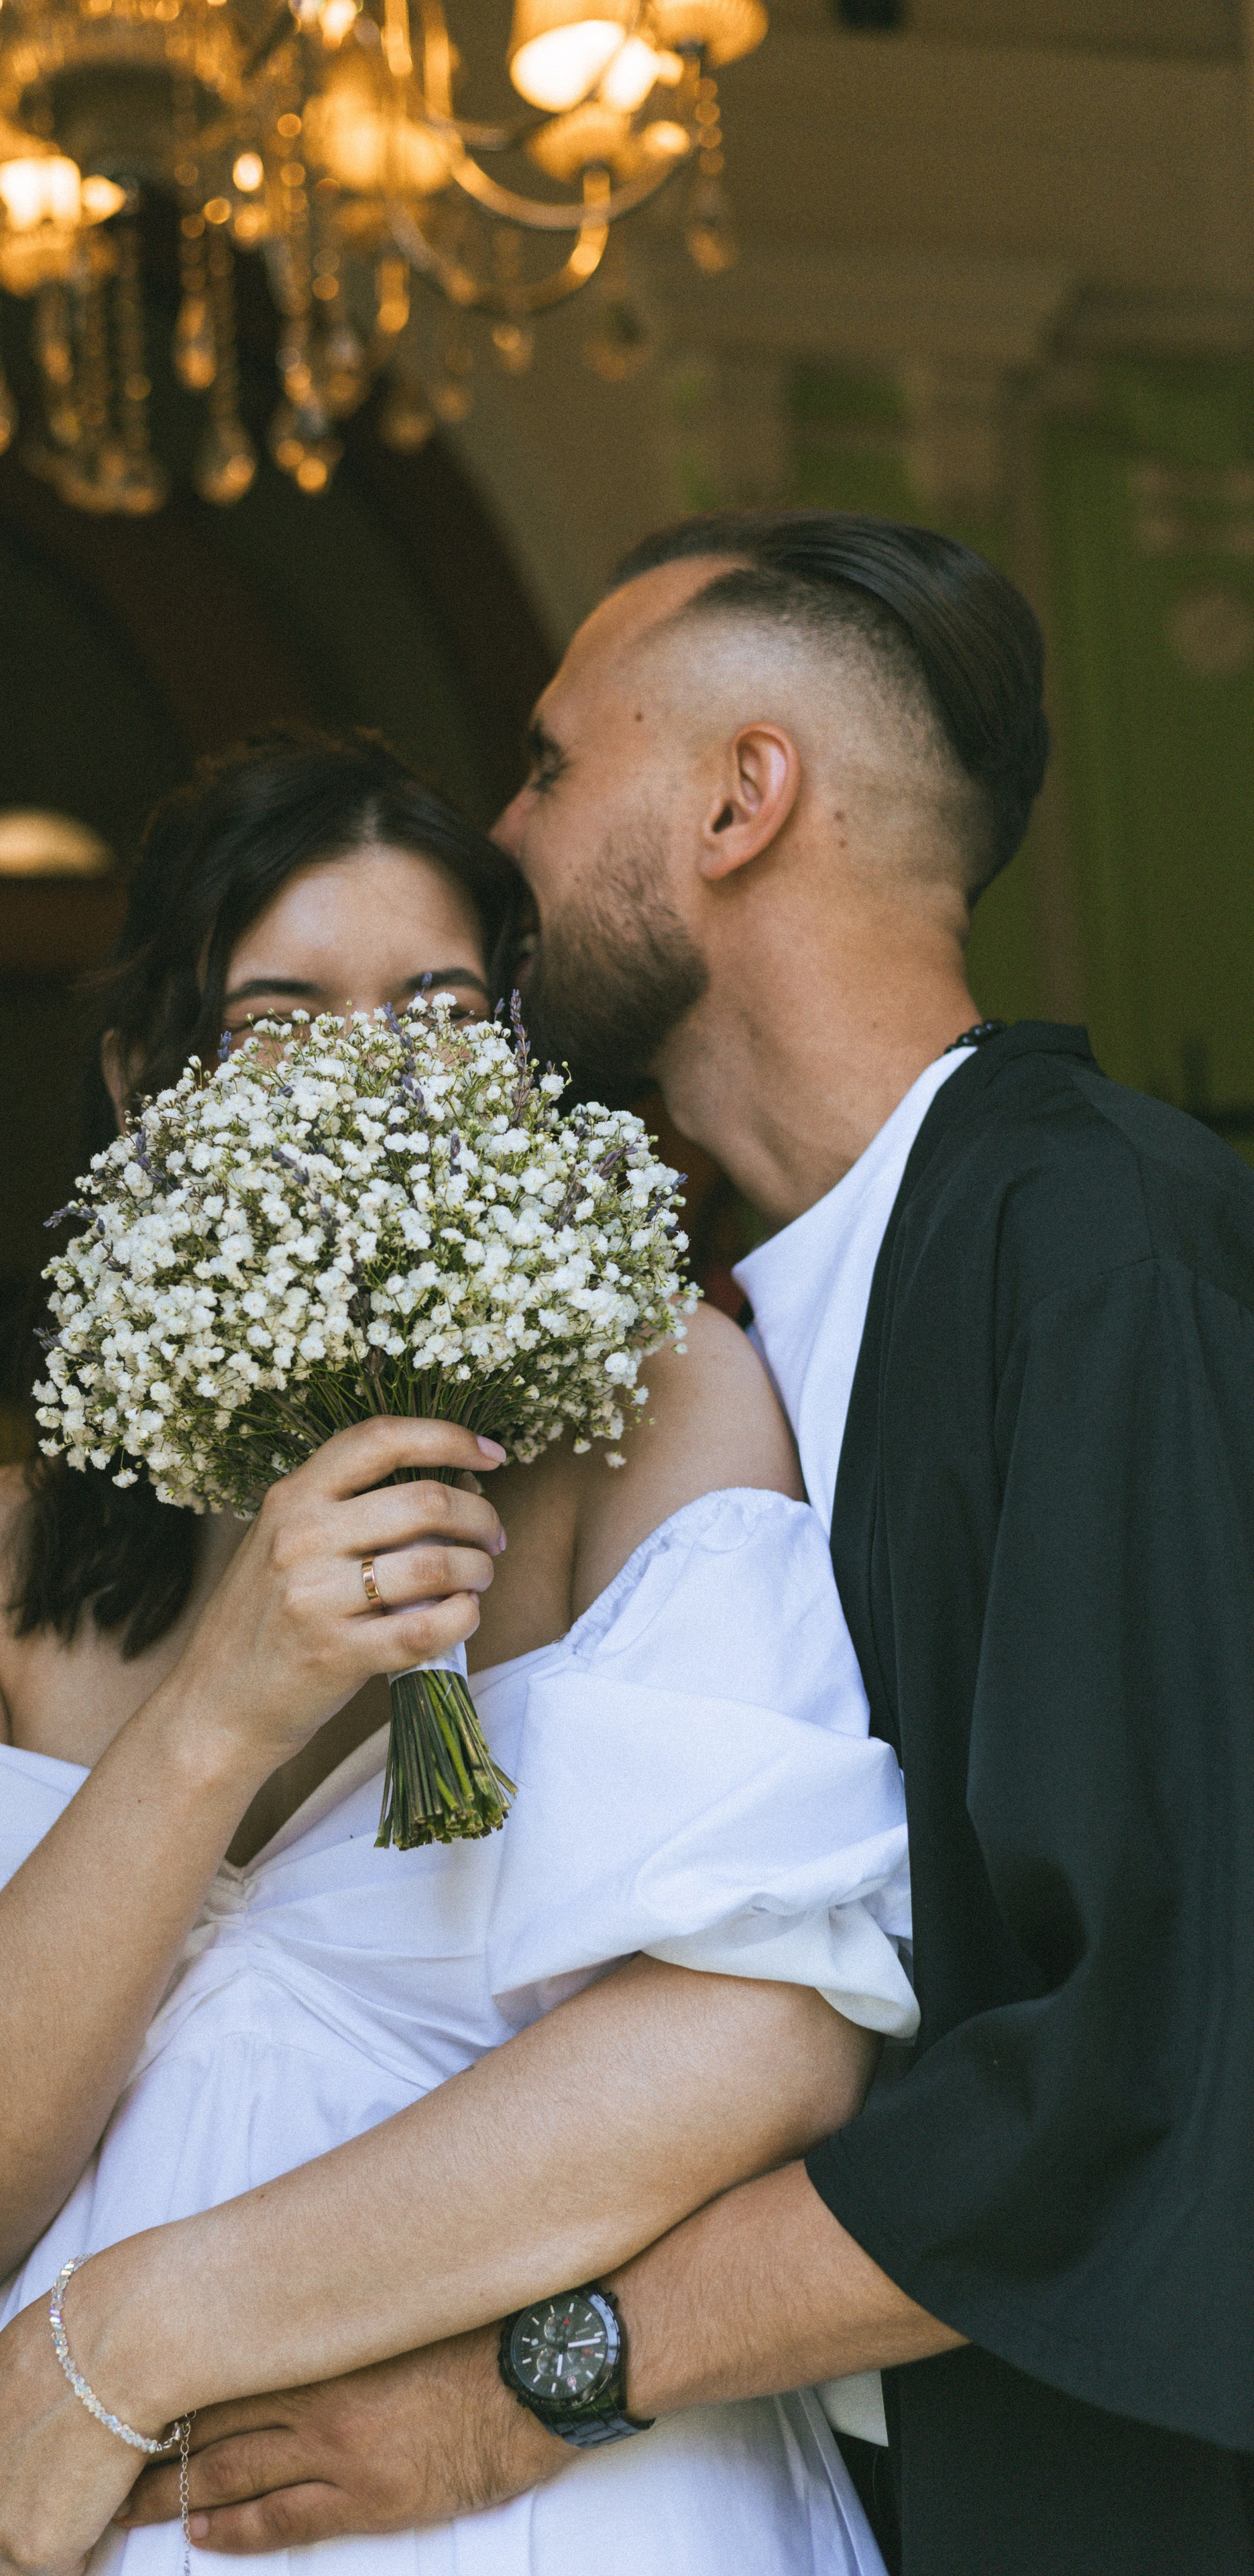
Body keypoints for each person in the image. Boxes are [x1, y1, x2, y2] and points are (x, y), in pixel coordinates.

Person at [113, 519, 1254, 2576]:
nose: (503, 835)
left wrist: (529, 2381)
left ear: (742, 800)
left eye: (551, 768)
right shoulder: (728, 1337)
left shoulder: (1096, 1254)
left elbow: (1157, 2068)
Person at [0, 733, 919, 2576]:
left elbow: (761, 2056)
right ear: (140, 1081)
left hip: (573, 2518)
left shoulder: (662, 1419)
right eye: (281, 1016)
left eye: (437, 1008)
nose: (371, 1083)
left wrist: (128, 2340)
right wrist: (218, 1704)